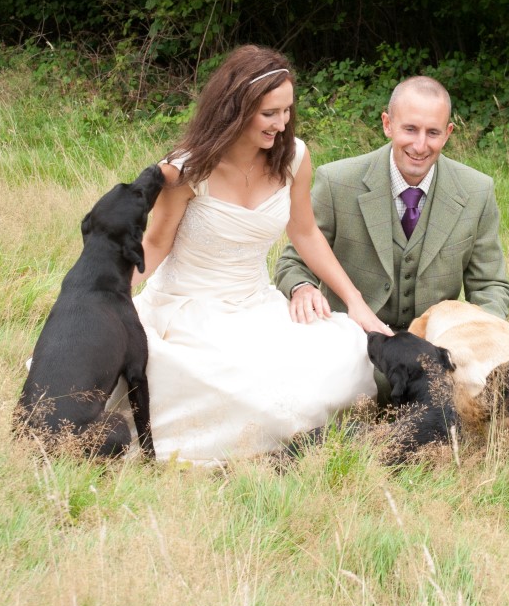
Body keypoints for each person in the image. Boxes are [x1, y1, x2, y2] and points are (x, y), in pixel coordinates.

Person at [127, 45, 387, 464]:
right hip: (189, 306)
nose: (282, 124)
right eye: (270, 113)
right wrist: (108, 291)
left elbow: (305, 233)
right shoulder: (186, 169)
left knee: (350, 358)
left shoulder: (293, 158)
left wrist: (356, 303)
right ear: (236, 109)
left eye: (287, 111)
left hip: (256, 303)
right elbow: (156, 243)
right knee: (249, 391)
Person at [274, 76, 509, 334]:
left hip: (433, 348)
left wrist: (476, 336)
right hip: (352, 339)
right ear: (388, 124)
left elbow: (490, 286)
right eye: (410, 129)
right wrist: (303, 288)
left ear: (448, 133)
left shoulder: (477, 190)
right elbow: (294, 262)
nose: (420, 145)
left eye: (433, 132)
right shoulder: (337, 183)